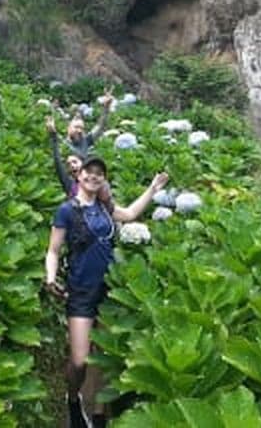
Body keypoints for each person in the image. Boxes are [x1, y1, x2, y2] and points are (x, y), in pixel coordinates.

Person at [44, 156, 168, 428]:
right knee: (79, 361)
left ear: (103, 180)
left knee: (102, 354)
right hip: (81, 292)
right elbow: (53, 250)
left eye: (99, 173)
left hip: (110, 290)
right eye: (89, 171)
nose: (93, 176)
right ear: (79, 177)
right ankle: (73, 399)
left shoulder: (104, 208)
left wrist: (153, 188)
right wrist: (50, 277)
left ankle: (99, 413)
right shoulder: (66, 210)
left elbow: (131, 214)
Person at [65, 90, 113, 158]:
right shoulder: (62, 144)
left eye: (82, 128)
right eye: (76, 127)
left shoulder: (85, 141)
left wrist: (106, 107)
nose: (79, 131)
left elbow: (100, 126)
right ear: (68, 127)